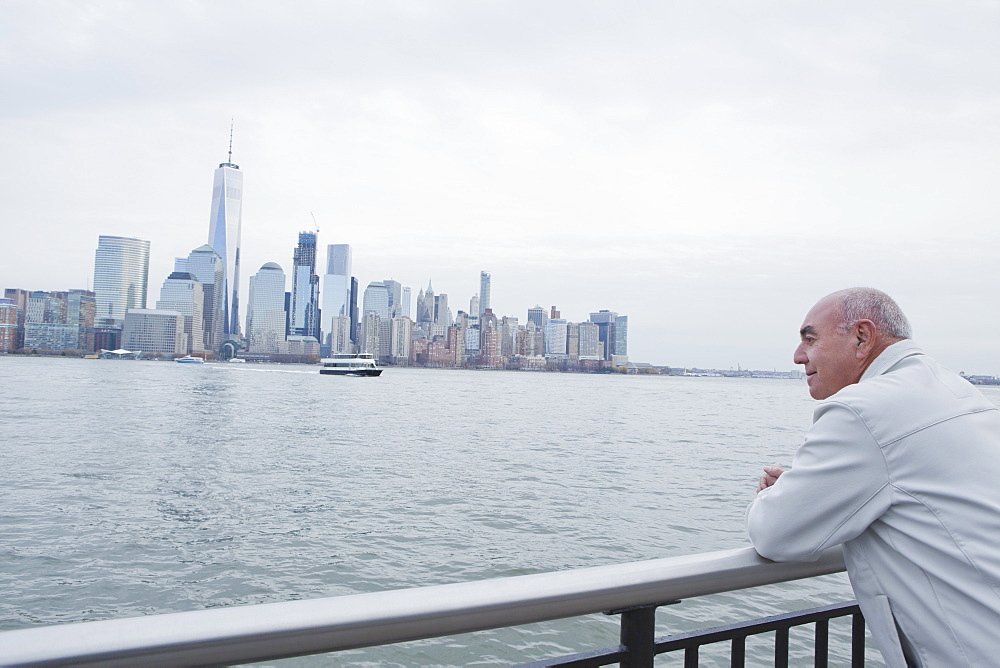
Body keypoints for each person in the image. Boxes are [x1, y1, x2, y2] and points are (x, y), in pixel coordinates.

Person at [746, 287, 1000, 667]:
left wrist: (772, 495)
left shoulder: (863, 410)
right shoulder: (958, 393)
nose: (798, 356)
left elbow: (775, 534)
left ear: (862, 337)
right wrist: (812, 490)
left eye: (810, 339)